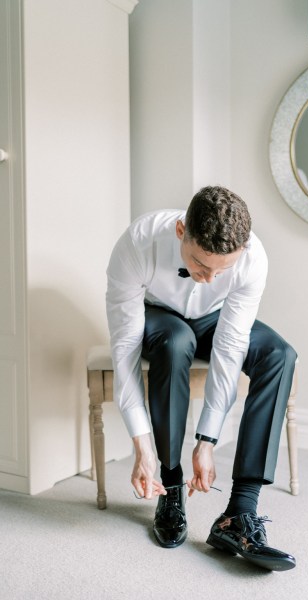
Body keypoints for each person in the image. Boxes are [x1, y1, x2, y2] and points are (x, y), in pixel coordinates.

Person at [106, 186, 297, 571]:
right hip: (159, 318)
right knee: (177, 342)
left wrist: (207, 440)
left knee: (279, 354)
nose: (209, 278)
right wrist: (141, 445)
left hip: (214, 319)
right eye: (199, 264)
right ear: (181, 232)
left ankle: (238, 514)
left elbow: (230, 346)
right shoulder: (138, 243)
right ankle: (171, 484)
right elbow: (125, 347)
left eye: (221, 270)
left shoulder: (252, 259)